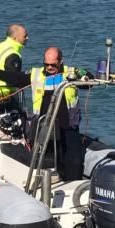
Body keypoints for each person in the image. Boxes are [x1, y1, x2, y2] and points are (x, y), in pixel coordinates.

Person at [28, 46, 85, 181]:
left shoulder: (70, 73)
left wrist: (81, 74)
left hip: (68, 127)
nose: (49, 67)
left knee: (74, 161)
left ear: (60, 62)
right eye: (46, 64)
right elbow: (15, 78)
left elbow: (89, 83)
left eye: (52, 65)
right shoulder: (36, 74)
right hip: (46, 127)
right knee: (46, 160)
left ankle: (74, 184)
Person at [0, 23, 31, 104]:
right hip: (2, 97)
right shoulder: (13, 54)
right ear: (15, 38)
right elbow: (13, 79)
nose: (27, 38)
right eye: (24, 36)